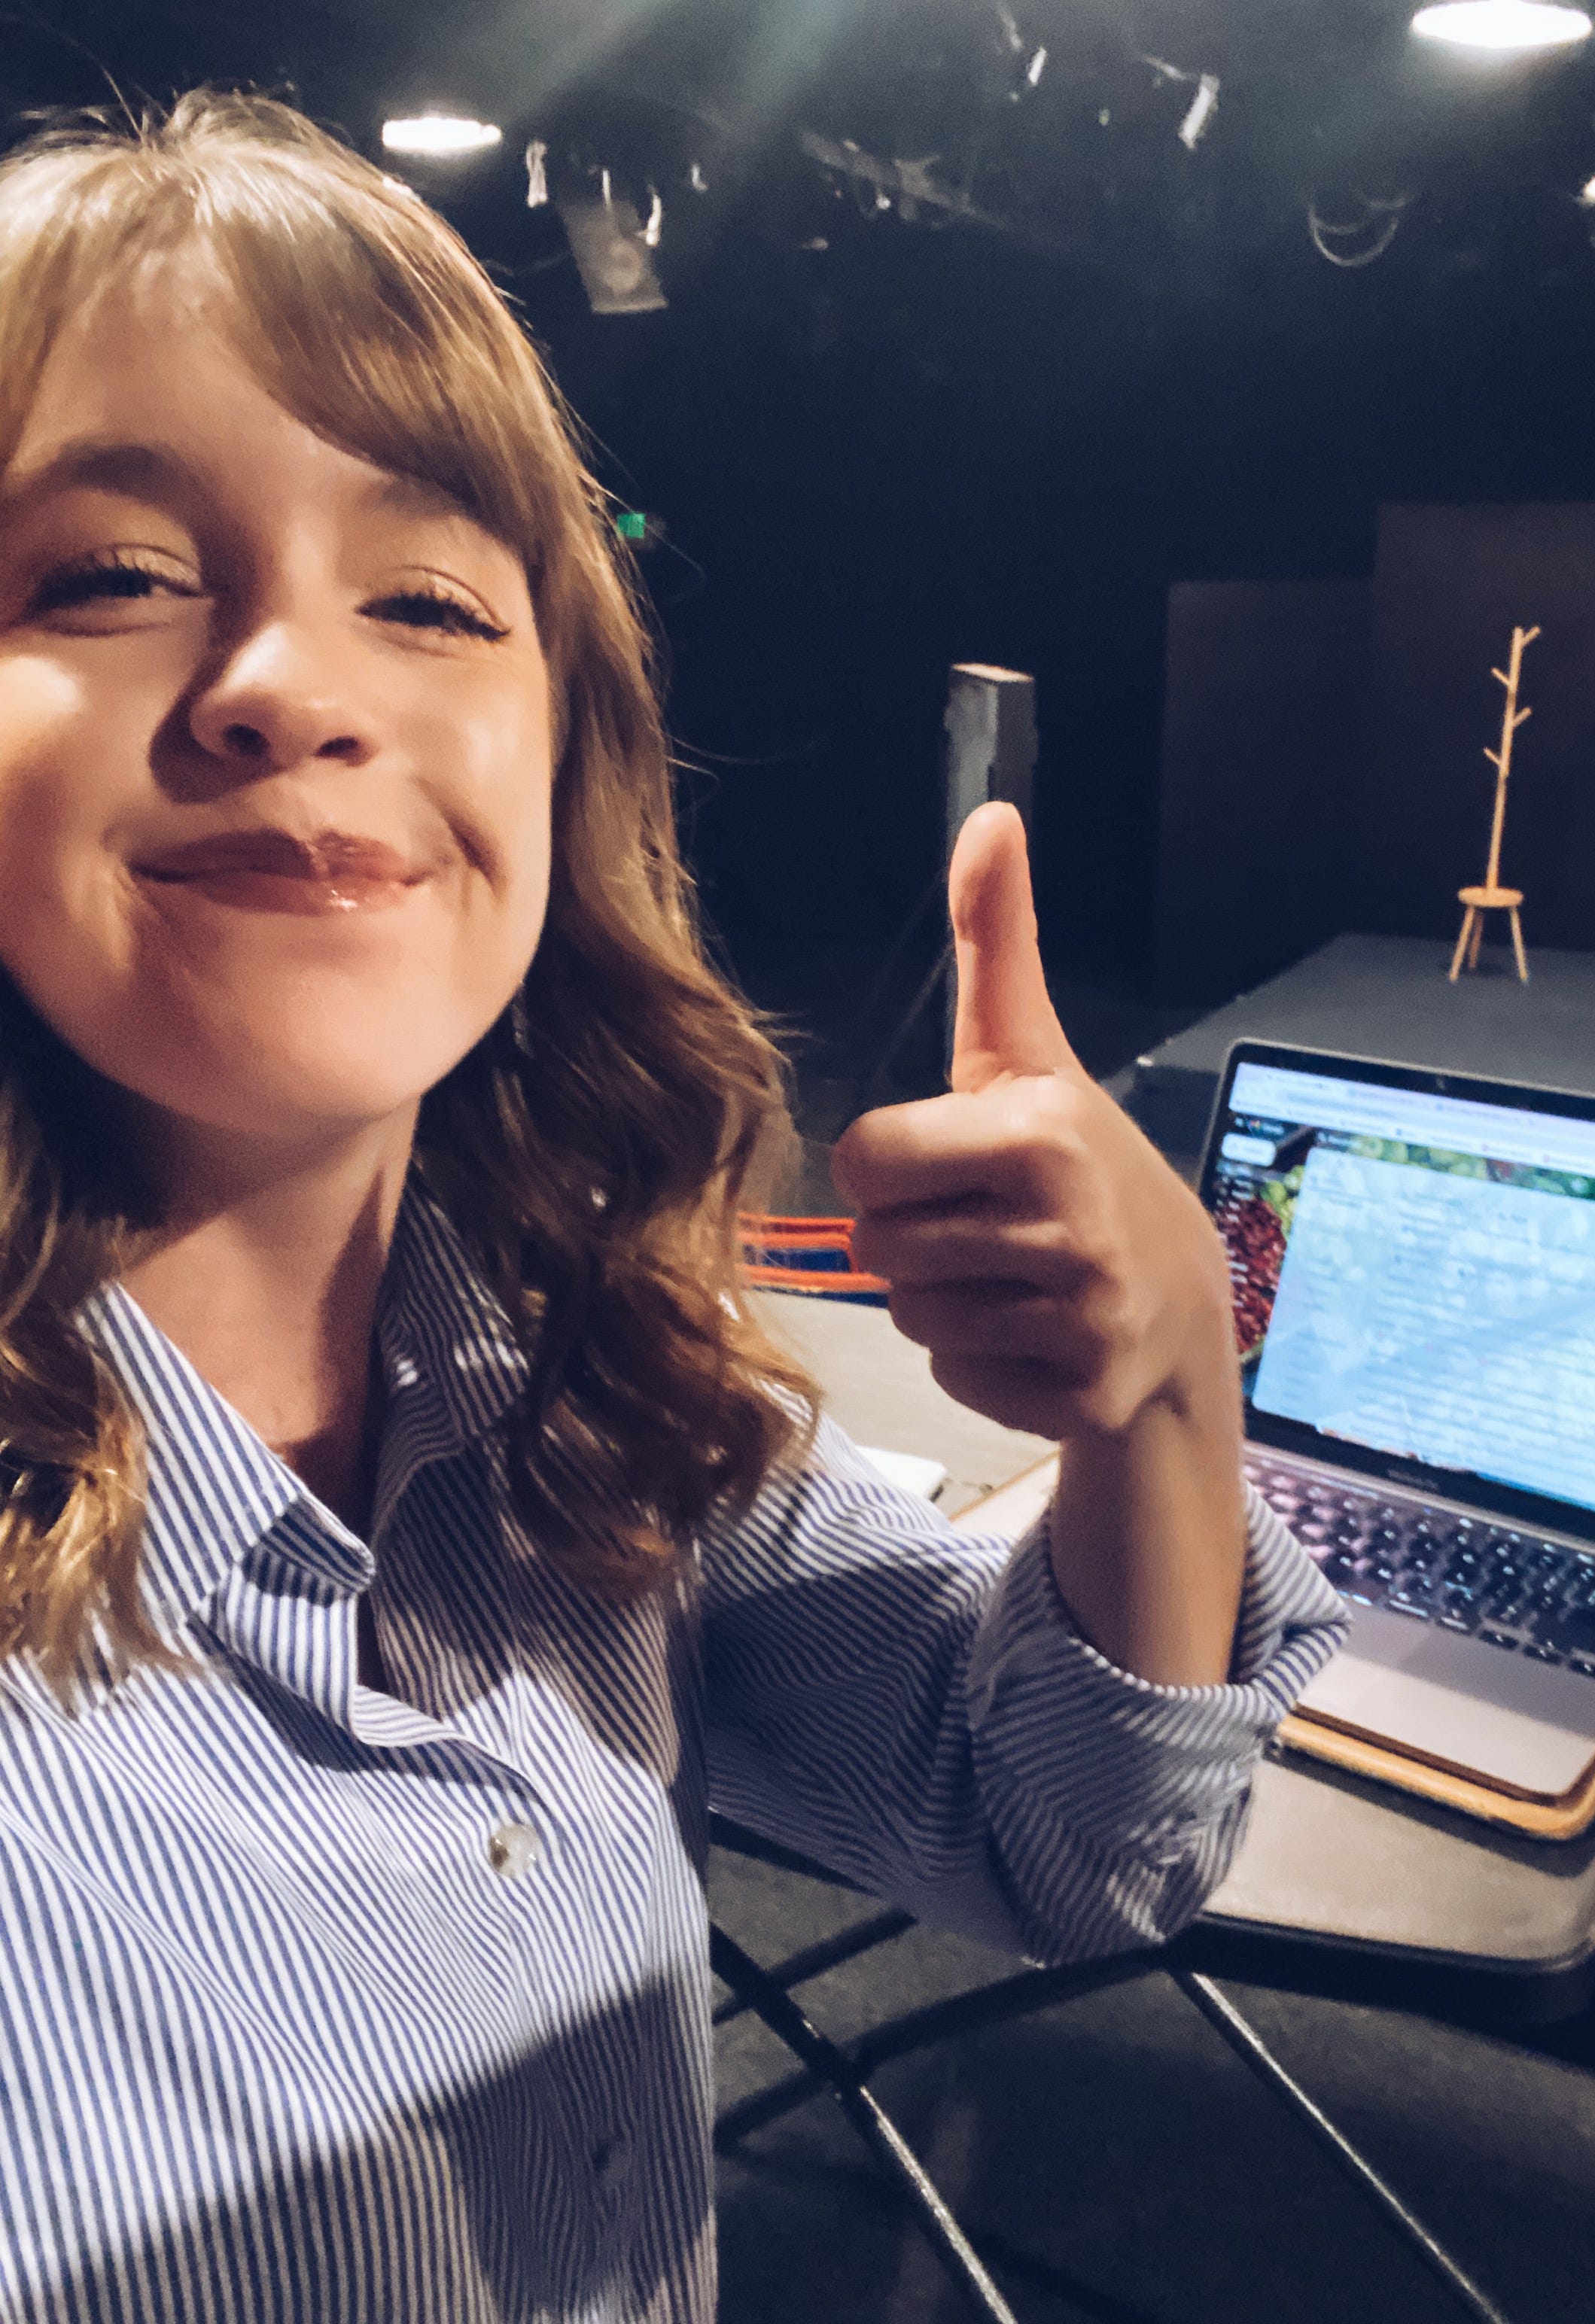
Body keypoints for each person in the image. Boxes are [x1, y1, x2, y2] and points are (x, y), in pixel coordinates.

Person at [0, 93, 1344, 2323]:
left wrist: (1170, 1379)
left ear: (561, 751)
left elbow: (1075, 1825)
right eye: (110, 576)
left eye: (427, 598)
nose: (294, 687)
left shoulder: (576, 1394)